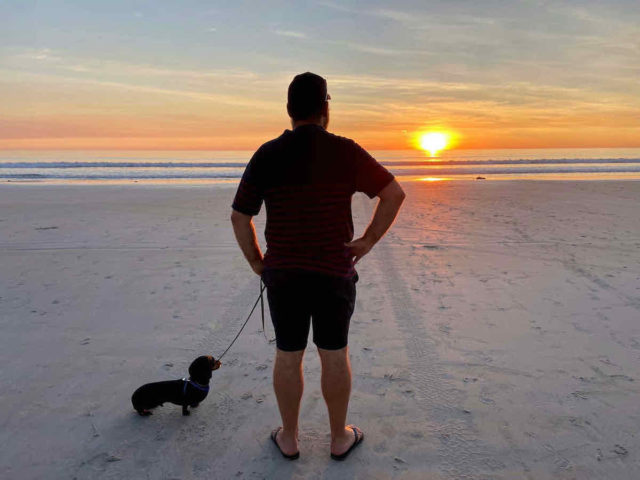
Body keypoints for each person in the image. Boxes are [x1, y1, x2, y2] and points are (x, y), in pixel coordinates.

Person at [230, 72, 405, 460]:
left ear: (289, 110)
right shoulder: (345, 151)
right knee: (334, 353)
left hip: (285, 276)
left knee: (288, 355)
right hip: (333, 274)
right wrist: (368, 240)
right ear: (326, 108)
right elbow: (394, 193)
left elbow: (240, 217)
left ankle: (289, 437)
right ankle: (339, 438)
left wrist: (258, 262)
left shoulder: (268, 153)